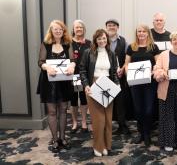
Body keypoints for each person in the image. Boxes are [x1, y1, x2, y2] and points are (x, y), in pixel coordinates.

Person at [80, 29, 119, 157]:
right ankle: (98, 146)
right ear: (95, 40)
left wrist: (117, 83)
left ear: (107, 39)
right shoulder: (88, 52)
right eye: (99, 39)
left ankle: (106, 145)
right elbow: (83, 70)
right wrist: (86, 85)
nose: (102, 41)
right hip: (93, 86)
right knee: (98, 119)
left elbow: (114, 71)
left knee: (108, 118)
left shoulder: (111, 53)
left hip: (108, 85)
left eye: (104, 38)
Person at [37, 20, 75, 152]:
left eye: (60, 29)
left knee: (64, 111)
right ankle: (54, 139)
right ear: (51, 31)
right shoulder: (45, 44)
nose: (58, 31)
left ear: (63, 31)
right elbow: (40, 62)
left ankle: (63, 138)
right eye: (55, 29)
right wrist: (47, 67)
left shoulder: (67, 44)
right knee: (52, 112)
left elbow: (72, 61)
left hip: (64, 83)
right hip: (49, 83)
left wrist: (72, 66)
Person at [123, 25, 159, 147]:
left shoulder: (153, 47)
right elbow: (126, 64)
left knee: (148, 110)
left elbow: (158, 64)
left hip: (150, 83)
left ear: (148, 33)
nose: (141, 33)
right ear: (136, 33)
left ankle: (147, 133)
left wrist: (154, 71)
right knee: (138, 109)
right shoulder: (131, 47)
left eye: (144, 31)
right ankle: (141, 133)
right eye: (139, 31)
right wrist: (129, 73)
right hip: (135, 83)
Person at [105, 19, 131, 135]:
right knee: (106, 101)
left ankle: (122, 125)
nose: (111, 27)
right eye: (109, 25)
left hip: (119, 76)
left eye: (114, 25)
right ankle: (107, 126)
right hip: (104, 76)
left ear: (117, 27)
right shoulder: (102, 39)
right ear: (106, 27)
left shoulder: (123, 41)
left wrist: (123, 68)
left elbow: (127, 58)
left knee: (121, 102)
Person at [70, 20, 91, 134]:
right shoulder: (68, 43)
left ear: (84, 29)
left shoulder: (89, 43)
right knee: (73, 100)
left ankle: (83, 121)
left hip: (84, 75)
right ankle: (74, 122)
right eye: (76, 27)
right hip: (73, 76)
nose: (79, 29)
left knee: (83, 99)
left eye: (81, 27)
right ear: (73, 29)